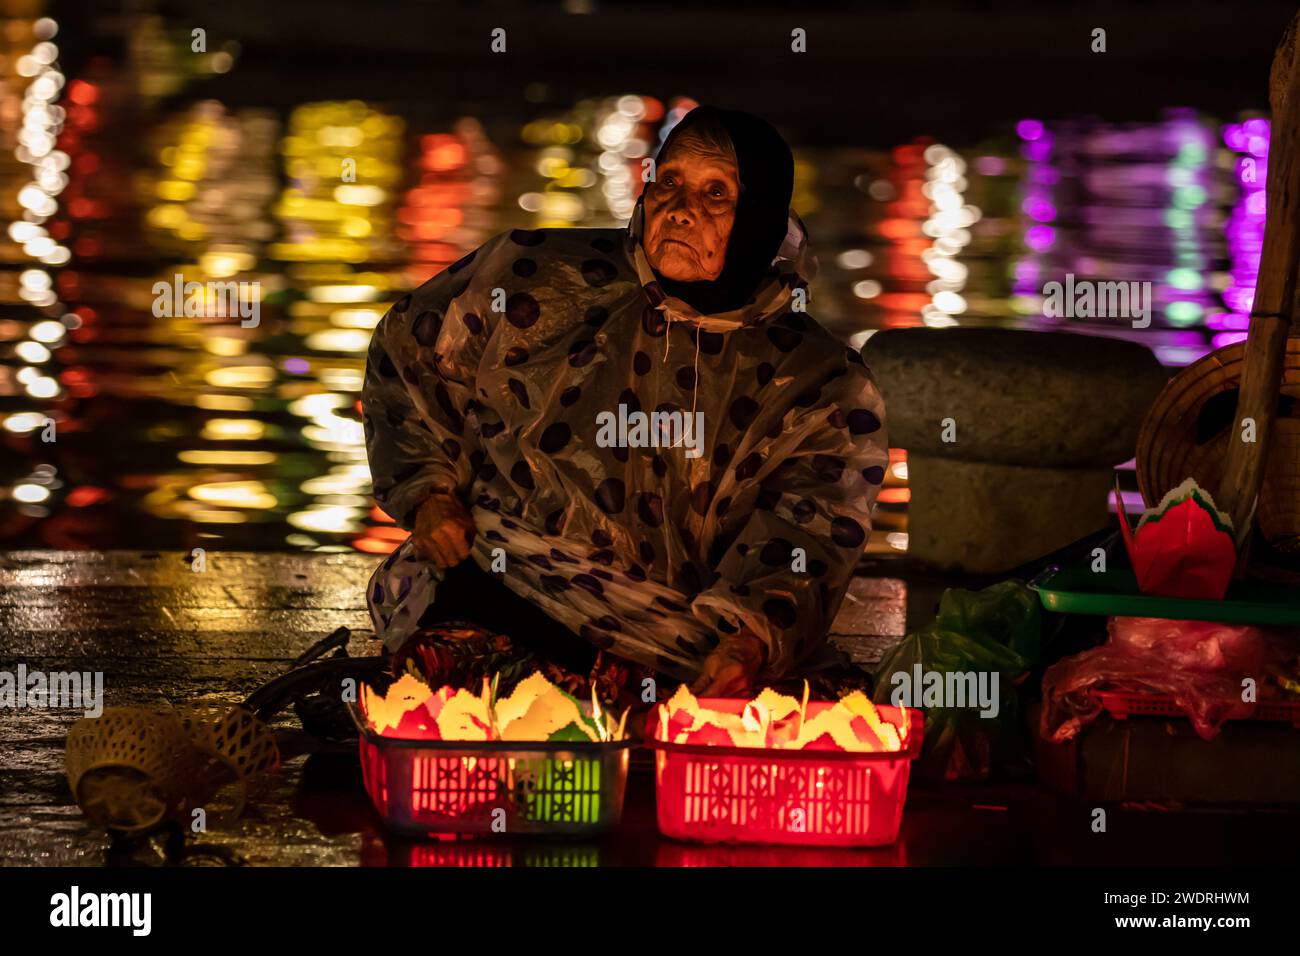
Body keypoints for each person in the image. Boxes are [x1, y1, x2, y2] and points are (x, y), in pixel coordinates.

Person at [363, 106, 888, 700]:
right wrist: (429, 494)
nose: (680, 209)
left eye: (716, 193)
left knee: (827, 720)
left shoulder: (818, 381)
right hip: (509, 583)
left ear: (761, 215)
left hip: (681, 639)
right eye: (669, 182)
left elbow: (808, 530)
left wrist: (750, 640)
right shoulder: (540, 278)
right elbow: (411, 351)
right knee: (455, 694)